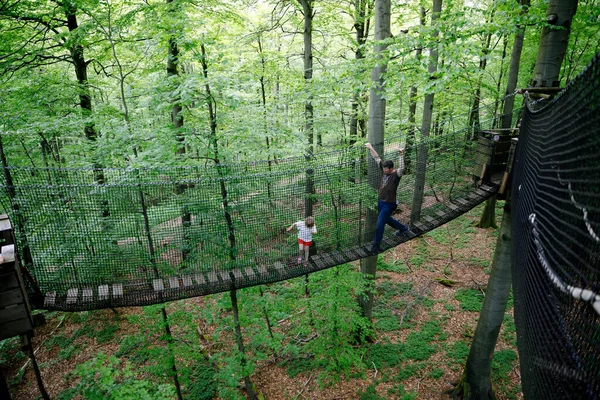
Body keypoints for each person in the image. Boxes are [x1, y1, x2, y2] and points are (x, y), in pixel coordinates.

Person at [365, 142, 409, 254]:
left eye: (387, 169)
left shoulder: (396, 175)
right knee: (387, 220)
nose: (384, 170)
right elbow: (377, 158)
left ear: (391, 169)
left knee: (380, 224)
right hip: (380, 202)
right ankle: (404, 229)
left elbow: (402, 168)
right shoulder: (383, 170)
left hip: (389, 203)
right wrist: (371, 147)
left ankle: (376, 245)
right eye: (384, 169)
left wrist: (401, 155)